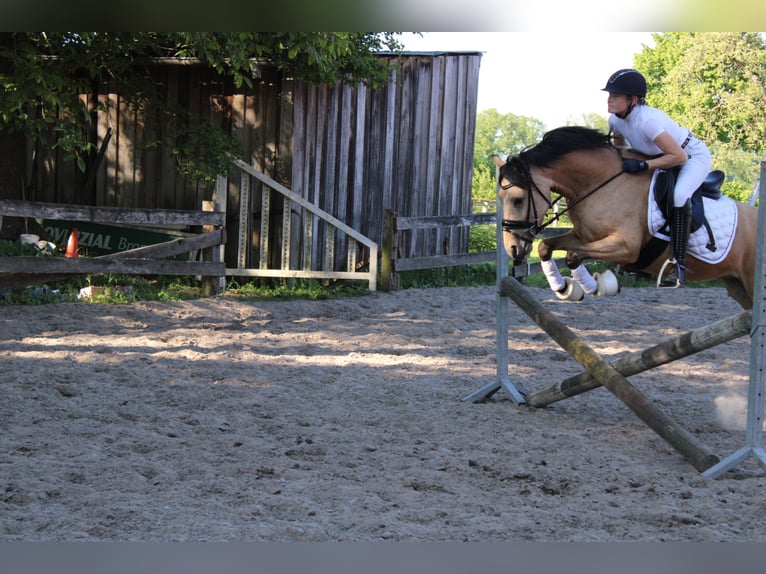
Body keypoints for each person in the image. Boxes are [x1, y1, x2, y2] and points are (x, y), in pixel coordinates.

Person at [602, 68, 712, 287]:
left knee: (680, 195)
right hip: (662, 160)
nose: (609, 99)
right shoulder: (615, 120)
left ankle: (678, 263)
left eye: (615, 95)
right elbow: (620, 147)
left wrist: (643, 164)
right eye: (609, 94)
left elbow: (678, 156)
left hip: (690, 157)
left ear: (633, 99)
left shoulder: (647, 121)